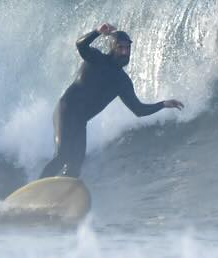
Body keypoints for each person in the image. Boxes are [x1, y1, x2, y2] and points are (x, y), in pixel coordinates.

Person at [39, 22, 184, 179]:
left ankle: (61, 191)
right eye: (120, 48)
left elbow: (139, 110)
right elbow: (80, 45)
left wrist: (163, 104)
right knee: (62, 155)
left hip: (80, 122)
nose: (125, 52)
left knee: (75, 166)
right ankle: (36, 188)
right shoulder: (96, 59)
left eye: (127, 48)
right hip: (66, 111)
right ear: (112, 47)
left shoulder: (122, 82)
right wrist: (97, 31)